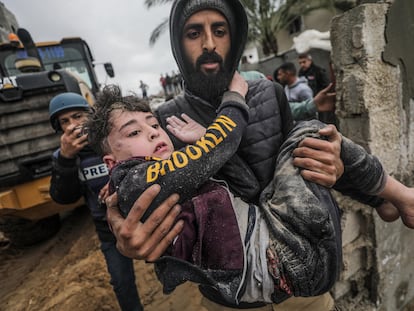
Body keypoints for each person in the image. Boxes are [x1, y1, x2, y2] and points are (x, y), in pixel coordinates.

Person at [105, 0, 414, 310]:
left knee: (313, 135)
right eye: (194, 32)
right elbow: (138, 203)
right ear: (178, 43)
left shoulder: (269, 94)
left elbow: (302, 171)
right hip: (228, 298)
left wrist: (344, 175)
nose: (209, 43)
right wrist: (126, 240)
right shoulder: (163, 124)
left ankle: (389, 197)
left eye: (220, 30)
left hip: (299, 293)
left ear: (235, 37)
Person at [88, 82, 413, 307]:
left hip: (276, 260)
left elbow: (236, 182)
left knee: (314, 139)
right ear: (110, 162)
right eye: (134, 132)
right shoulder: (134, 181)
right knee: (308, 130)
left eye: (153, 125)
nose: (152, 132)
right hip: (284, 263)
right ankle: (398, 195)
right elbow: (216, 148)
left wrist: (206, 144)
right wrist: (232, 102)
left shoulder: (177, 171)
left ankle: (384, 199)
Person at [48, 92, 144, 311]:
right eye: (65, 121)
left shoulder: (112, 140)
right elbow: (64, 197)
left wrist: (119, 183)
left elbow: (147, 165)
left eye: (77, 116)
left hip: (142, 218)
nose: (73, 125)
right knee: (122, 284)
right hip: (108, 230)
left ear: (90, 116)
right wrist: (65, 159)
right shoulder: (63, 158)